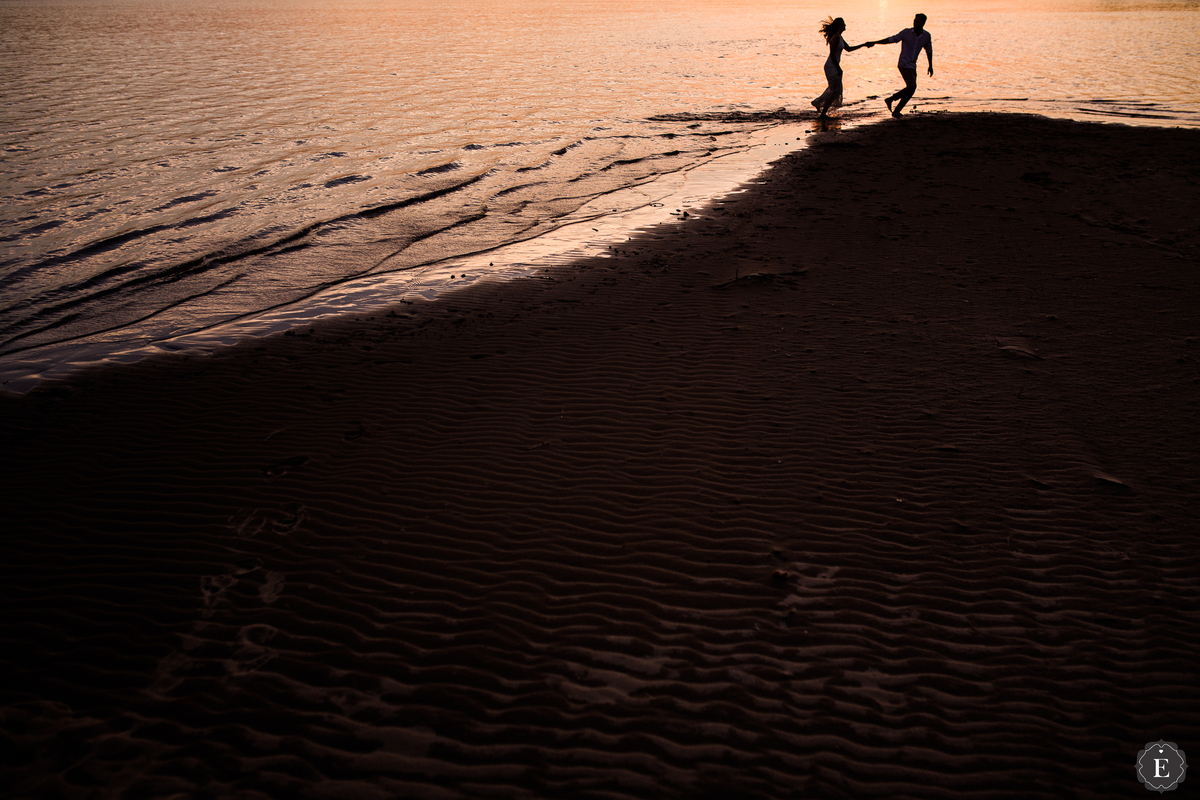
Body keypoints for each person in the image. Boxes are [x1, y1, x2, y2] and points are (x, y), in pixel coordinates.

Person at [868, 13, 933, 116]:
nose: (914, 23)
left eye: (917, 22)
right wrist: (875, 42)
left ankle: (896, 110)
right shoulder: (906, 32)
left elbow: (929, 50)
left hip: (912, 65)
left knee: (911, 89)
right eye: (914, 21)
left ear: (923, 23)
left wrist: (930, 65)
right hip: (903, 63)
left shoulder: (926, 36)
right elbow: (891, 39)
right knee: (912, 86)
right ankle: (891, 99)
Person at [811, 17, 873, 118]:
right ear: (839, 25)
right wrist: (838, 68)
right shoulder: (835, 37)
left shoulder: (839, 37)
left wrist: (863, 45)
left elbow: (848, 49)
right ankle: (821, 110)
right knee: (834, 89)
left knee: (835, 89)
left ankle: (820, 106)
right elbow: (832, 54)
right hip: (831, 66)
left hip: (833, 65)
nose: (845, 25)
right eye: (843, 24)